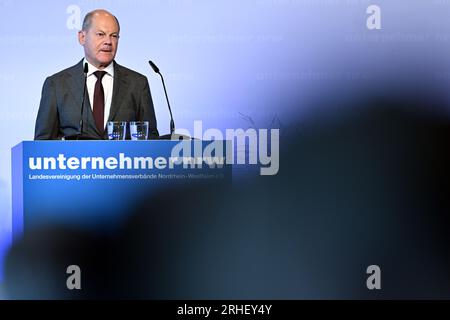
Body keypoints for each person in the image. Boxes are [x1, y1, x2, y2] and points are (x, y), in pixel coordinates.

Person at [34, 9, 159, 140]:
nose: (108, 41)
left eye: (114, 36)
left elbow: (151, 140)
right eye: (100, 34)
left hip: (122, 160)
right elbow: (42, 144)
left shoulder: (137, 84)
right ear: (82, 37)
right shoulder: (57, 84)